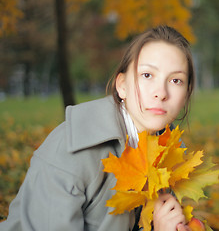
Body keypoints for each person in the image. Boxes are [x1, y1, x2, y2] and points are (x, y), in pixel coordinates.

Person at [0, 25, 195, 231]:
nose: (161, 92)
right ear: (122, 86)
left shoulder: (169, 150)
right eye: (147, 75)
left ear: (186, 94)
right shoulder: (71, 151)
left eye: (176, 80)